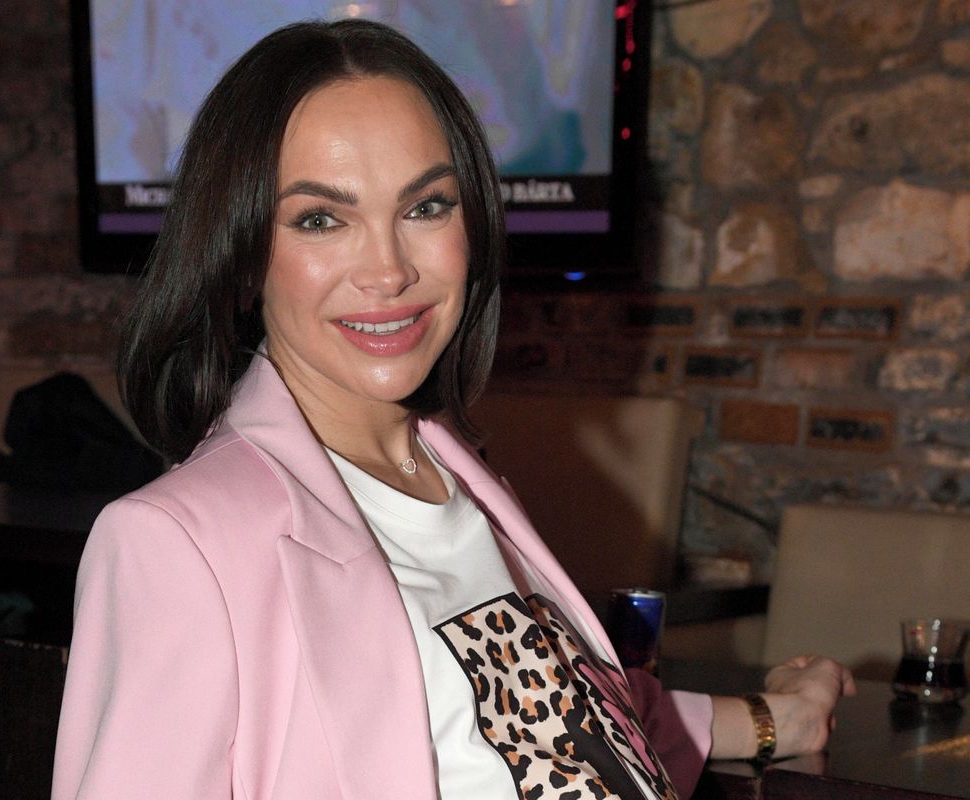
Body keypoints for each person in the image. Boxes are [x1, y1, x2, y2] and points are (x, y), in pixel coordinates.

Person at [51, 19, 854, 800]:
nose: (388, 270)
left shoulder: (454, 476)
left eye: (425, 207)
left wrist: (778, 719)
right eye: (321, 219)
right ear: (240, 256)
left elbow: (550, 711)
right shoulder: (176, 543)